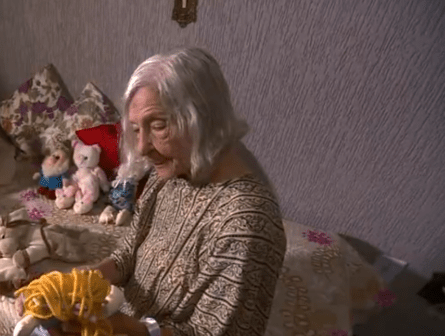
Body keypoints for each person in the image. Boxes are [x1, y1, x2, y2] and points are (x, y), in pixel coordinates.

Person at [46, 48, 287, 336]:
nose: (144, 147)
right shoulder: (171, 172)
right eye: (136, 130)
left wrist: (126, 330)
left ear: (204, 118)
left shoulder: (247, 223)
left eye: (158, 125)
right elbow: (127, 256)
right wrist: (76, 287)